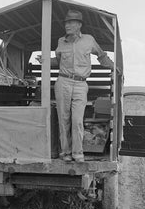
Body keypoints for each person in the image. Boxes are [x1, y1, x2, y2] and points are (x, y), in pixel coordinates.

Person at [38, 9, 115, 163]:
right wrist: (45, 60)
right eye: (66, 22)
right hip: (63, 83)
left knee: (77, 120)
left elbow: (102, 56)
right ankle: (65, 153)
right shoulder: (61, 41)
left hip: (80, 84)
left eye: (71, 22)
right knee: (63, 119)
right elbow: (58, 62)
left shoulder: (89, 40)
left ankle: (78, 153)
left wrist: (116, 68)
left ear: (79, 24)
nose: (67, 25)